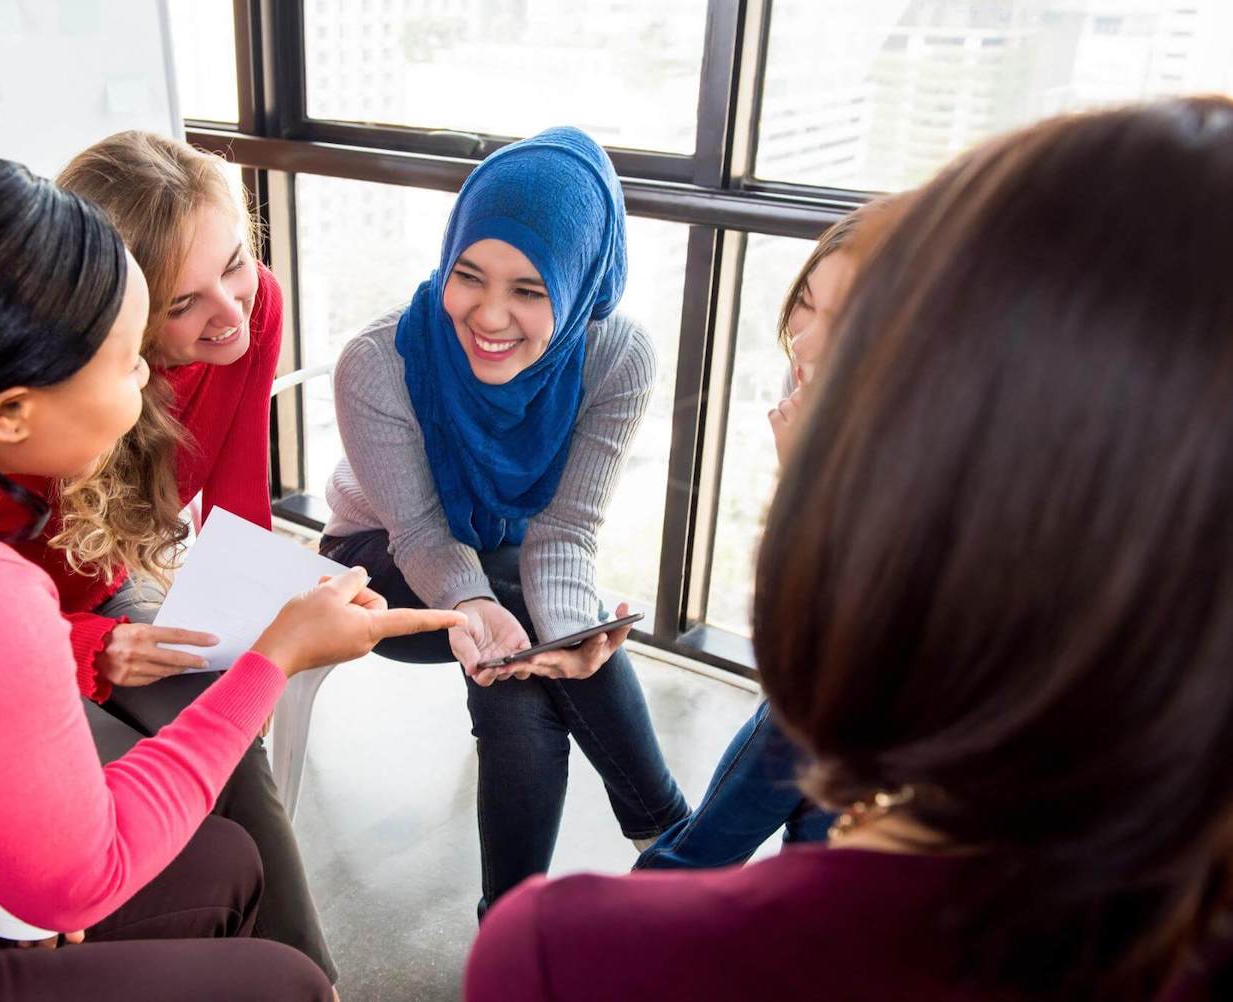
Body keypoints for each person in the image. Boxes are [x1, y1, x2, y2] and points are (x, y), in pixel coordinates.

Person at [466, 97, 1233, 1000]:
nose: (812, 349)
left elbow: (574, 539)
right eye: (810, 313)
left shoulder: (564, 953)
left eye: (874, 341)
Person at [0, 156, 463, 1002]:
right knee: (278, 983)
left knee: (226, 859)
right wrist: (271, 659)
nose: (151, 384)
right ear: (11, 412)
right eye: (128, 363)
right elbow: (74, 881)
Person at [0, 131, 335, 979]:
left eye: (235, 264)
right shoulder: (14, 415)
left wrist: (259, 632)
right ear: (109, 318)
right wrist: (89, 649)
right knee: (160, 816)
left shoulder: (252, 311)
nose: (232, 313)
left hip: (111, 583)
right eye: (181, 304)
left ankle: (304, 983)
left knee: (227, 733)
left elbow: (237, 492)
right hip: (8, 641)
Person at [319, 126, 688, 914]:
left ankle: (513, 922)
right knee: (515, 616)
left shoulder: (615, 358)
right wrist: (476, 602)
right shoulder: (381, 362)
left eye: (530, 289)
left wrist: (573, 640)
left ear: (580, 281)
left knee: (525, 666)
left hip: (517, 557)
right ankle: (674, 844)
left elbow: (565, 534)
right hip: (378, 558)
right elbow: (419, 533)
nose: (489, 316)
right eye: (470, 276)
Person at [636, 197, 903, 871]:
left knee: (770, 825)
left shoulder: (934, 451)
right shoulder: (837, 398)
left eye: (846, 323)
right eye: (806, 302)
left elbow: (835, 630)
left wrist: (800, 484)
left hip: (877, 709)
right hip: (830, 693)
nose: (804, 341)